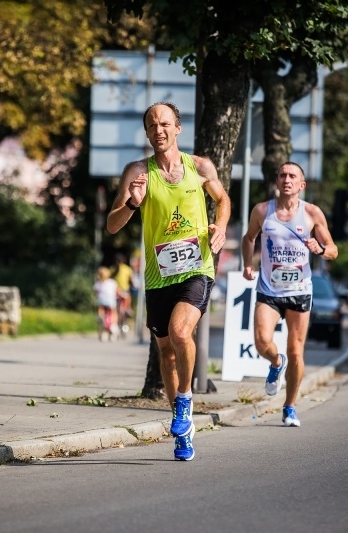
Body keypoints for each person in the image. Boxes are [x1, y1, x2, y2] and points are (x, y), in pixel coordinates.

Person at [106, 101, 230, 461]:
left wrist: (220, 228)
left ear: (177, 128)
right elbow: (112, 225)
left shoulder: (200, 166)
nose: (158, 130)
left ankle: (185, 402)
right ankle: (183, 435)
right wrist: (132, 203)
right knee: (165, 351)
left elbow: (222, 200)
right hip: (158, 276)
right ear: (146, 133)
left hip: (197, 267)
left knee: (179, 334)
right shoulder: (137, 172)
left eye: (164, 123)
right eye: (151, 125)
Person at [241, 162, 337, 428]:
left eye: (292, 176)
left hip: (299, 290)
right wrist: (248, 264)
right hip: (269, 289)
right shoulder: (262, 210)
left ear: (301, 185)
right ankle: (275, 361)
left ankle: (290, 406)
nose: (286, 179)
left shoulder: (312, 213)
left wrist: (319, 249)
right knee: (262, 341)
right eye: (282, 175)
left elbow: (333, 250)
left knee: (296, 351)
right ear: (277, 181)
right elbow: (249, 238)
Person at [112, 253, 135, 337]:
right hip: (124, 290)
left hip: (116, 291)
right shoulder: (127, 269)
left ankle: (116, 322)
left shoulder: (113, 268)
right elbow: (131, 280)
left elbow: (111, 278)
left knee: (117, 309)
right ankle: (128, 309)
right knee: (128, 296)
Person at [93, 266, 119, 341]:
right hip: (110, 301)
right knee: (114, 313)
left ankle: (101, 319)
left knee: (101, 310)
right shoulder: (112, 282)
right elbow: (117, 292)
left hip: (101, 301)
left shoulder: (98, 283)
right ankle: (114, 325)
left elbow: (95, 292)